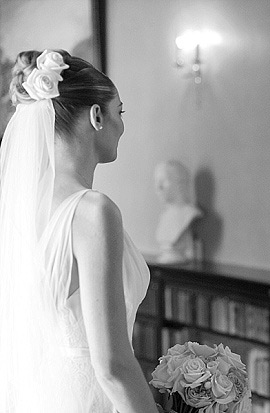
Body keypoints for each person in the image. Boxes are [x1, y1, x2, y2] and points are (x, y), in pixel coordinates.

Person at [0, 50, 160, 412]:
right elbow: (113, 367)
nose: (122, 125)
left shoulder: (21, 208)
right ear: (97, 116)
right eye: (120, 111)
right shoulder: (92, 211)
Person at [154, 159, 202, 264]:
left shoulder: (189, 214)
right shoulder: (164, 216)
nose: (159, 187)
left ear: (179, 182)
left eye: (163, 181)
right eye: (157, 182)